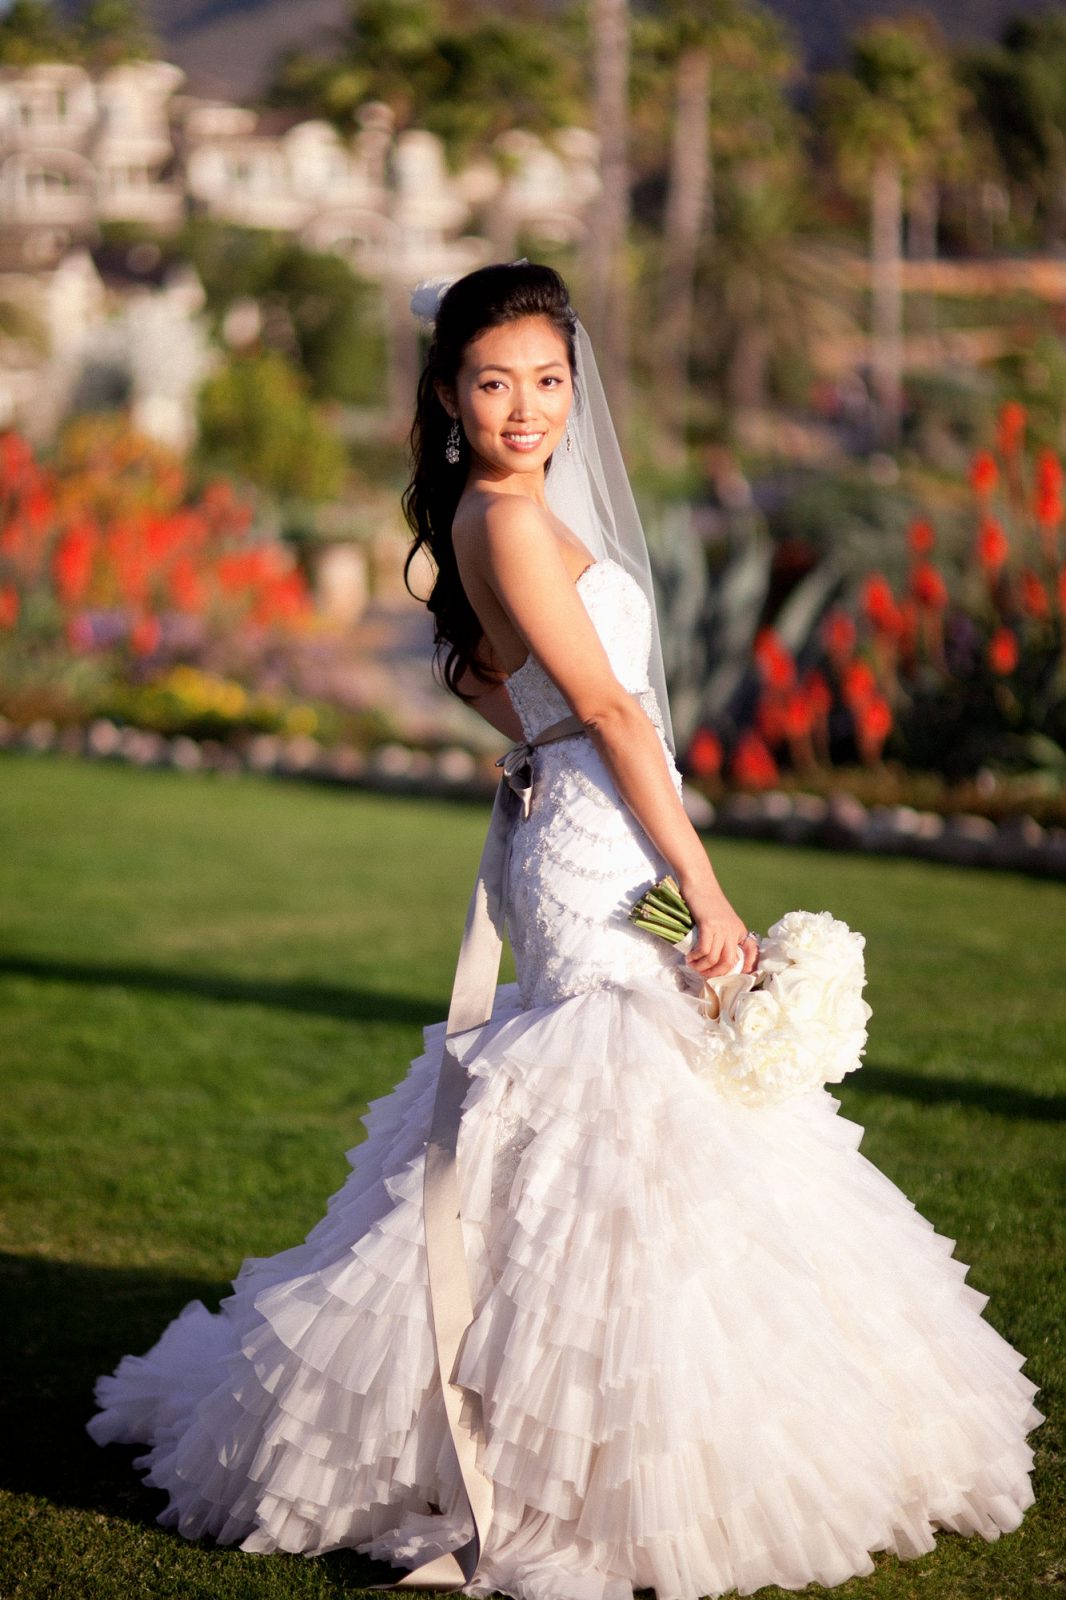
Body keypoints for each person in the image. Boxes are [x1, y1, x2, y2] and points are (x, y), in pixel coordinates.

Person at [88, 261, 1043, 1600]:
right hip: (607, 840)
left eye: (548, 381)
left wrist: (538, 756)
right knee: (614, 1109)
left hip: (589, 828)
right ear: (446, 396)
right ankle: (556, 1458)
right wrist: (702, 887)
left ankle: (614, 1416)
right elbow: (609, 712)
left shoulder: (510, 514)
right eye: (494, 382)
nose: (525, 407)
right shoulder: (506, 518)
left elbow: (495, 680)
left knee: (649, 1110)